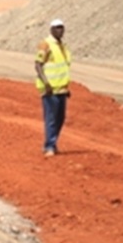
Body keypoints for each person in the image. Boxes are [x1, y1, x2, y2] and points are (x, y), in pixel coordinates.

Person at [34, 18, 72, 157]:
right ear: (51, 29)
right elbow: (38, 64)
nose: (60, 30)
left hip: (61, 89)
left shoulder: (62, 45)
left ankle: (52, 143)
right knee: (51, 118)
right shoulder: (46, 44)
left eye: (61, 27)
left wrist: (66, 87)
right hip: (50, 89)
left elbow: (63, 68)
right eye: (56, 27)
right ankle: (49, 146)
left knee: (60, 118)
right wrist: (46, 83)